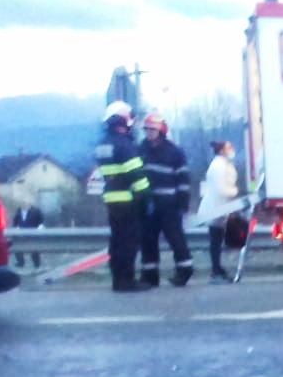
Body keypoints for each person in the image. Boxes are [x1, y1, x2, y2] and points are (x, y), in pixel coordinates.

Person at [94, 101, 150, 292]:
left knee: (117, 241)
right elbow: (136, 174)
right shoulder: (124, 144)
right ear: (122, 120)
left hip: (111, 199)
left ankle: (118, 279)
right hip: (127, 199)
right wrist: (146, 196)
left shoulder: (103, 144)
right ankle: (127, 280)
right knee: (128, 242)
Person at [137, 112, 194, 287]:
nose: (149, 133)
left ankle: (184, 270)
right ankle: (149, 276)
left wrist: (183, 204)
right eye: (147, 130)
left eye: (152, 130)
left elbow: (183, 180)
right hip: (148, 204)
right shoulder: (140, 150)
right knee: (148, 240)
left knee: (176, 239)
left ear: (161, 131)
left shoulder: (174, 152)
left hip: (170, 205)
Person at [198, 140, 241, 283]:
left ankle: (217, 269)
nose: (232, 149)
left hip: (221, 207)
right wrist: (235, 191)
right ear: (222, 151)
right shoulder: (218, 166)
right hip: (216, 208)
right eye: (229, 147)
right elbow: (221, 189)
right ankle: (216, 270)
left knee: (217, 240)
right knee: (215, 240)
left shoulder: (223, 164)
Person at [11, 204, 44, 270]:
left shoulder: (35, 211)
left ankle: (37, 264)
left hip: (33, 233)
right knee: (16, 246)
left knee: (34, 249)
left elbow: (41, 220)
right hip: (21, 233)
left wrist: (38, 229)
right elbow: (15, 222)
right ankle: (20, 263)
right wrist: (15, 230)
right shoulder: (18, 211)